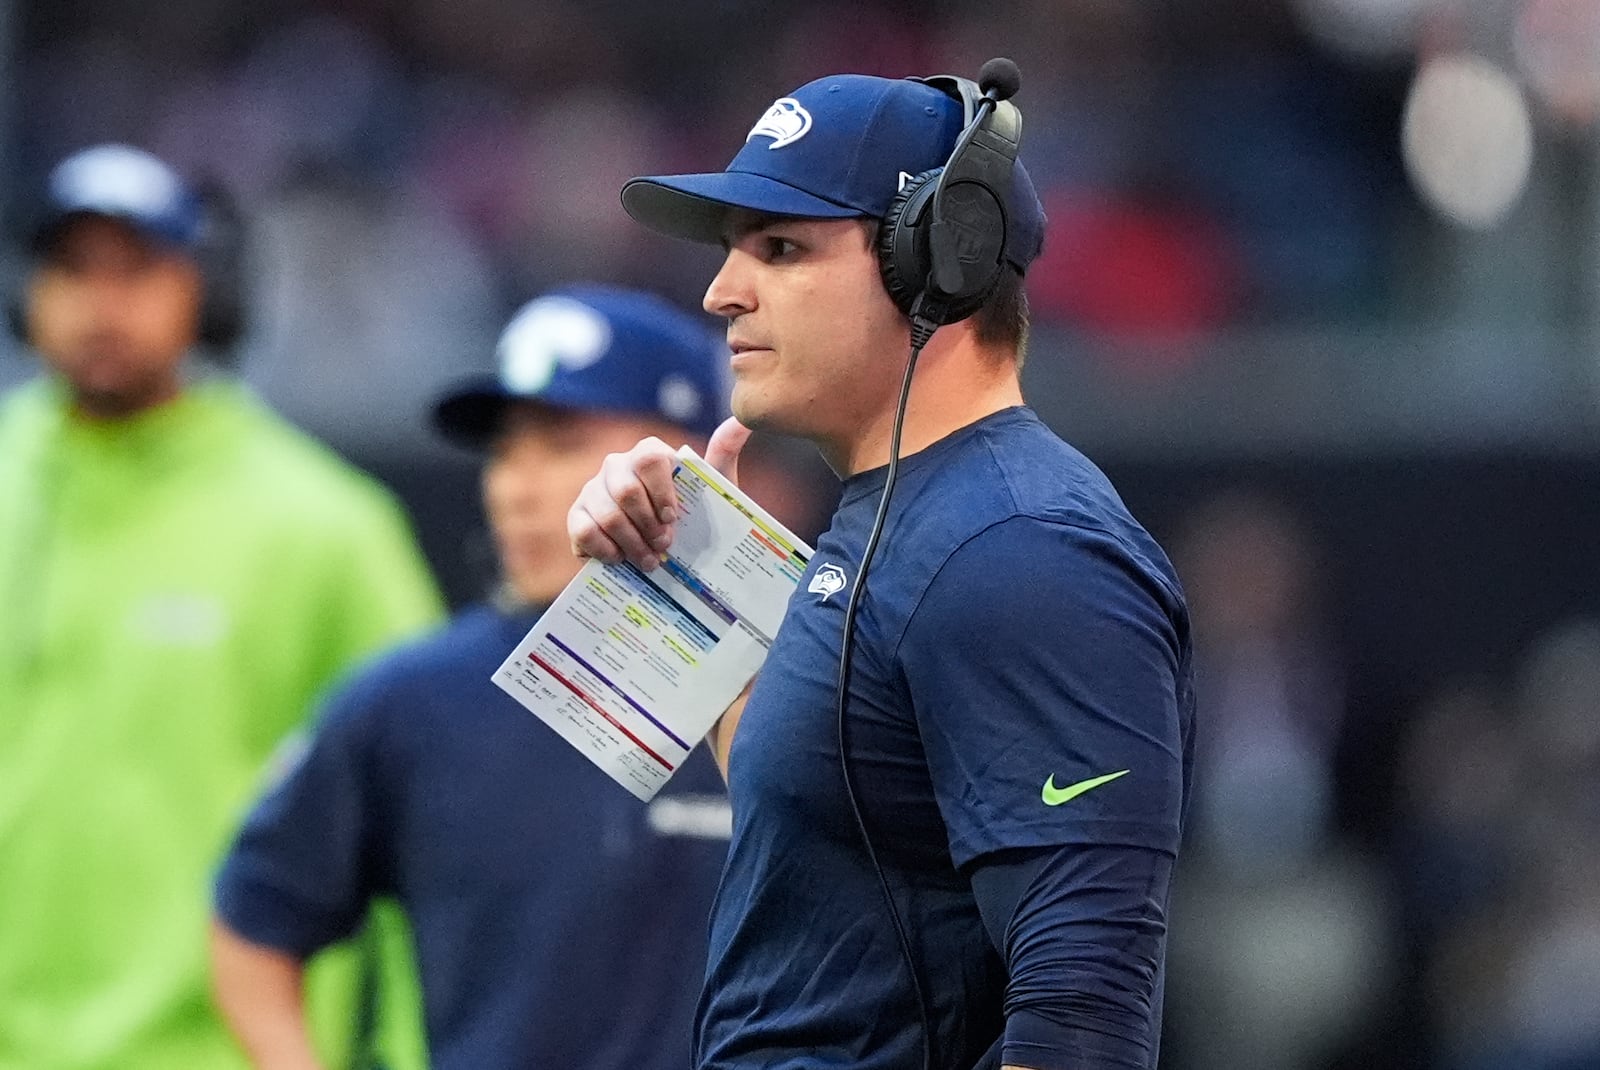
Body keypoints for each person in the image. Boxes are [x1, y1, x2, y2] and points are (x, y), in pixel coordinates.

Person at [567, 69, 1195, 1070]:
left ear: (939, 256)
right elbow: (820, 831)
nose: (719, 291)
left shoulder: (1022, 546)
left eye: (778, 247)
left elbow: (1083, 1013)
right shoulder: (903, 518)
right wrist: (692, 573)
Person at [211, 284, 736, 1070]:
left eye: (560, 441)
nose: (514, 487)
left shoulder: (774, 685)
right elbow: (254, 922)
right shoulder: (411, 701)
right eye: (502, 450)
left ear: (687, 451)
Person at [0, 144, 444, 1069]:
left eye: (138, 270)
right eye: (71, 269)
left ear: (211, 293)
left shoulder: (326, 529)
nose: (100, 305)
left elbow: (434, 825)